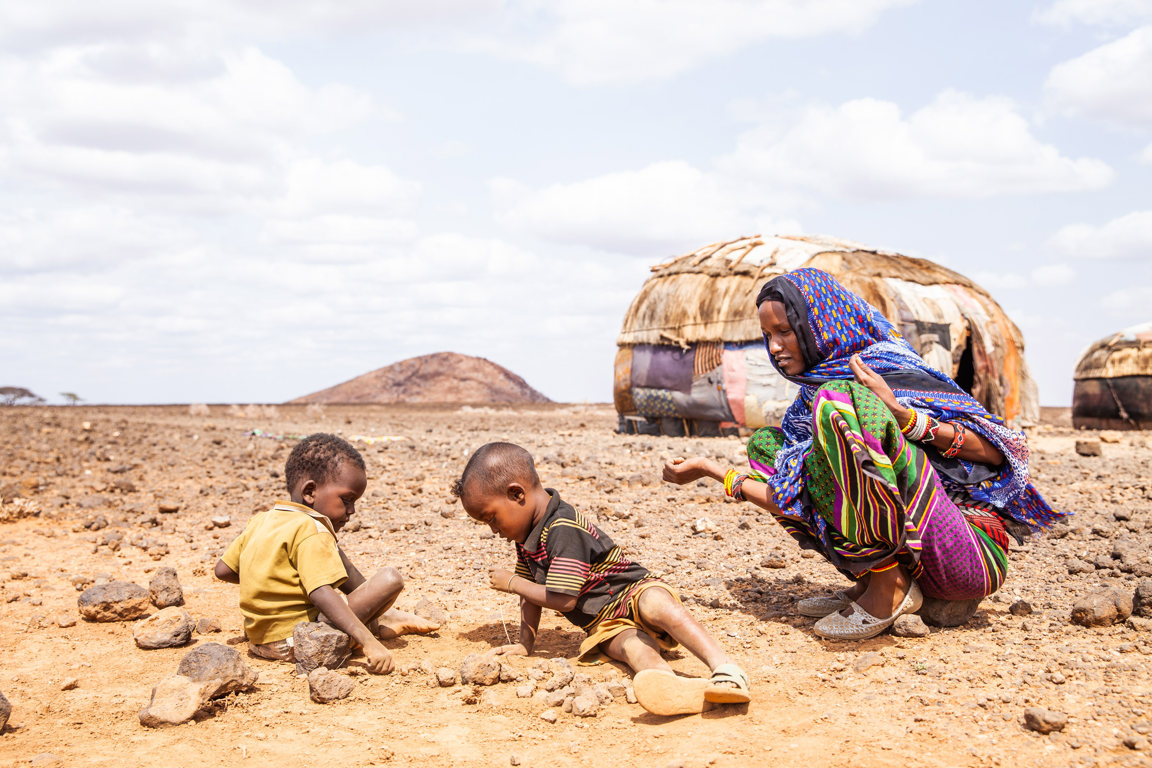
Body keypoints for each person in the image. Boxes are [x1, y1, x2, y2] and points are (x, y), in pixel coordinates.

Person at [664, 267, 1064, 641]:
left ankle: (889, 590)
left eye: (785, 331)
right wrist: (710, 471)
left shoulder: (887, 371)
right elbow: (792, 501)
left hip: (966, 553)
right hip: (917, 550)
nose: (774, 347)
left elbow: (1000, 454)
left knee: (839, 404)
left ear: (818, 326)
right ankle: (874, 579)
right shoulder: (808, 403)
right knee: (769, 446)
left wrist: (904, 417)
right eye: (767, 335)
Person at [452, 442, 751, 716]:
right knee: (634, 649)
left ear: (517, 494)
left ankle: (724, 668)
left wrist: (511, 583)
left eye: (491, 517)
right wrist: (524, 644)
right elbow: (530, 595)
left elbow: (564, 600)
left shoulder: (562, 528)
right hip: (605, 624)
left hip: (632, 592)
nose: (492, 529)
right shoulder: (526, 538)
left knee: (658, 606)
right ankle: (669, 685)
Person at [214, 433, 439, 672]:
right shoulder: (311, 529)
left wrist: (270, 580)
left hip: (260, 641)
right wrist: (369, 643)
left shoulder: (262, 520)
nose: (352, 511)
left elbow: (222, 570)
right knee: (389, 579)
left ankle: (384, 617)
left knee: (333, 552)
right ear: (310, 492)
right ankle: (379, 621)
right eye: (347, 500)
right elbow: (321, 593)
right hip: (306, 641)